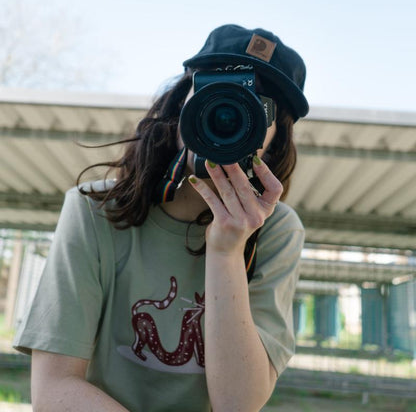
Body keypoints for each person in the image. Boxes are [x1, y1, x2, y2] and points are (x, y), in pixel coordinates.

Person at [14, 24, 308, 411]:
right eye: (213, 93)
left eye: (258, 105)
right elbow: (53, 390)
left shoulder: (277, 231)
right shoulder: (94, 209)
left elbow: (238, 404)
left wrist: (226, 251)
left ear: (275, 141)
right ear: (178, 108)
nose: (229, 113)